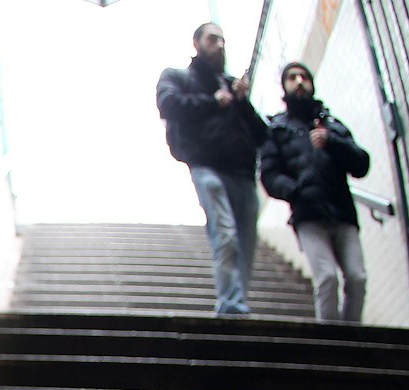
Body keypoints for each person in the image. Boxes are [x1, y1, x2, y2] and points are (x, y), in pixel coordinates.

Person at [157, 23, 270, 316]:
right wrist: (213, 102)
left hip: (244, 174)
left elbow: (263, 135)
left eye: (222, 40)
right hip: (206, 166)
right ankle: (231, 305)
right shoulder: (179, 77)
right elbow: (168, 104)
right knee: (226, 234)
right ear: (196, 43)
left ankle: (237, 302)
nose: (219, 45)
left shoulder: (233, 88)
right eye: (212, 39)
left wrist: (242, 103)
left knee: (246, 242)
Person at [258, 61, 371, 323]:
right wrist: (296, 191)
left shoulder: (332, 125)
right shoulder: (277, 129)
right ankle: (332, 347)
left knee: (357, 278)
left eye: (304, 77)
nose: (299, 82)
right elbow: (270, 175)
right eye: (292, 77)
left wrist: (330, 141)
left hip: (342, 213)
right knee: (327, 278)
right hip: (308, 216)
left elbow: (361, 163)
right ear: (284, 86)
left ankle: (351, 341)